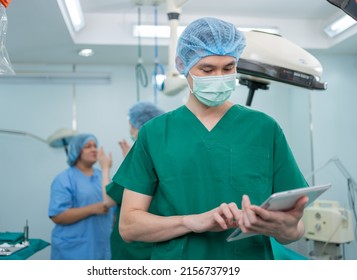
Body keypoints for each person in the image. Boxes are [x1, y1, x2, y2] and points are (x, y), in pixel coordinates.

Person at [112, 17, 309, 260]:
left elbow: (295, 229)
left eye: (228, 68)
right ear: (183, 65)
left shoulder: (264, 129)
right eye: (207, 69)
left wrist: (286, 229)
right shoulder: (155, 133)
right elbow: (129, 226)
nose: (219, 77)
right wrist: (192, 222)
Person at [104, 101, 165, 259]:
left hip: (134, 249)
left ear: (138, 126)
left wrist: (105, 168)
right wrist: (131, 159)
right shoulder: (163, 153)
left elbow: (108, 200)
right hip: (158, 242)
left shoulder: (140, 155)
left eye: (131, 125)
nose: (130, 129)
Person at [48, 133, 115, 260]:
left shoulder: (103, 176)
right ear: (77, 150)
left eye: (95, 146)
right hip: (73, 250)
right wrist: (92, 209)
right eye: (88, 146)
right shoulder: (64, 179)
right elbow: (57, 216)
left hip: (101, 245)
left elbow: (113, 209)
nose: (94, 149)